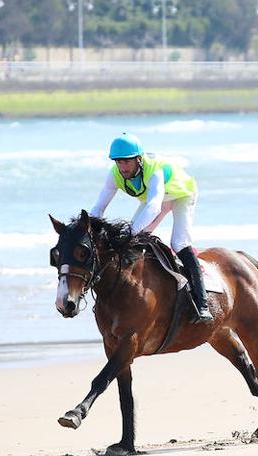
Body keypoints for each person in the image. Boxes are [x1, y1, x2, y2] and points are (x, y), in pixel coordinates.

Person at [89, 133, 213, 322]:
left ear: (139, 159)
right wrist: (87, 229)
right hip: (155, 199)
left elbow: (154, 207)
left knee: (179, 243)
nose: (122, 167)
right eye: (118, 162)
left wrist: (130, 232)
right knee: (136, 238)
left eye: (126, 162)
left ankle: (202, 304)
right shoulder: (114, 175)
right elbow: (99, 207)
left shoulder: (154, 171)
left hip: (182, 195)